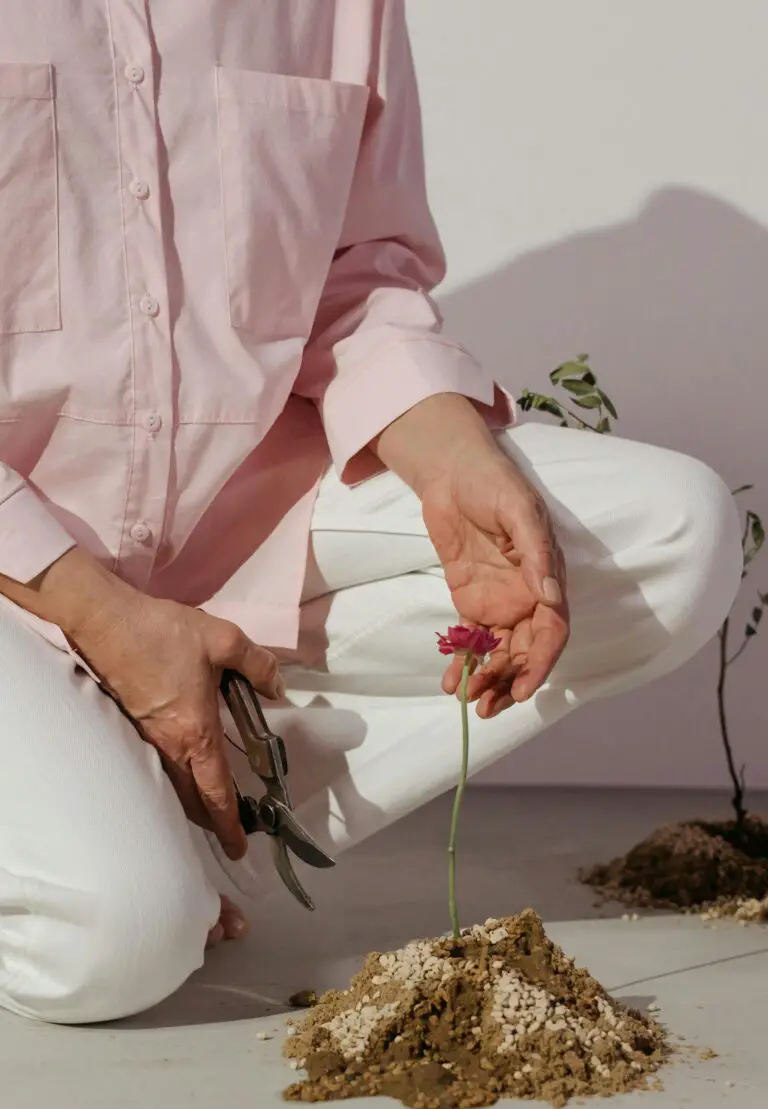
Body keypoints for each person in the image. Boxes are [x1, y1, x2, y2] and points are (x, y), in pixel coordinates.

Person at [0, 0, 741, 1026]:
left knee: (673, 539)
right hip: (13, 563)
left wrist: (449, 455)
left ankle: (204, 818)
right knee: (109, 947)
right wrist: (97, 613)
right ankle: (108, 827)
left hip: (234, 517)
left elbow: (360, 276)